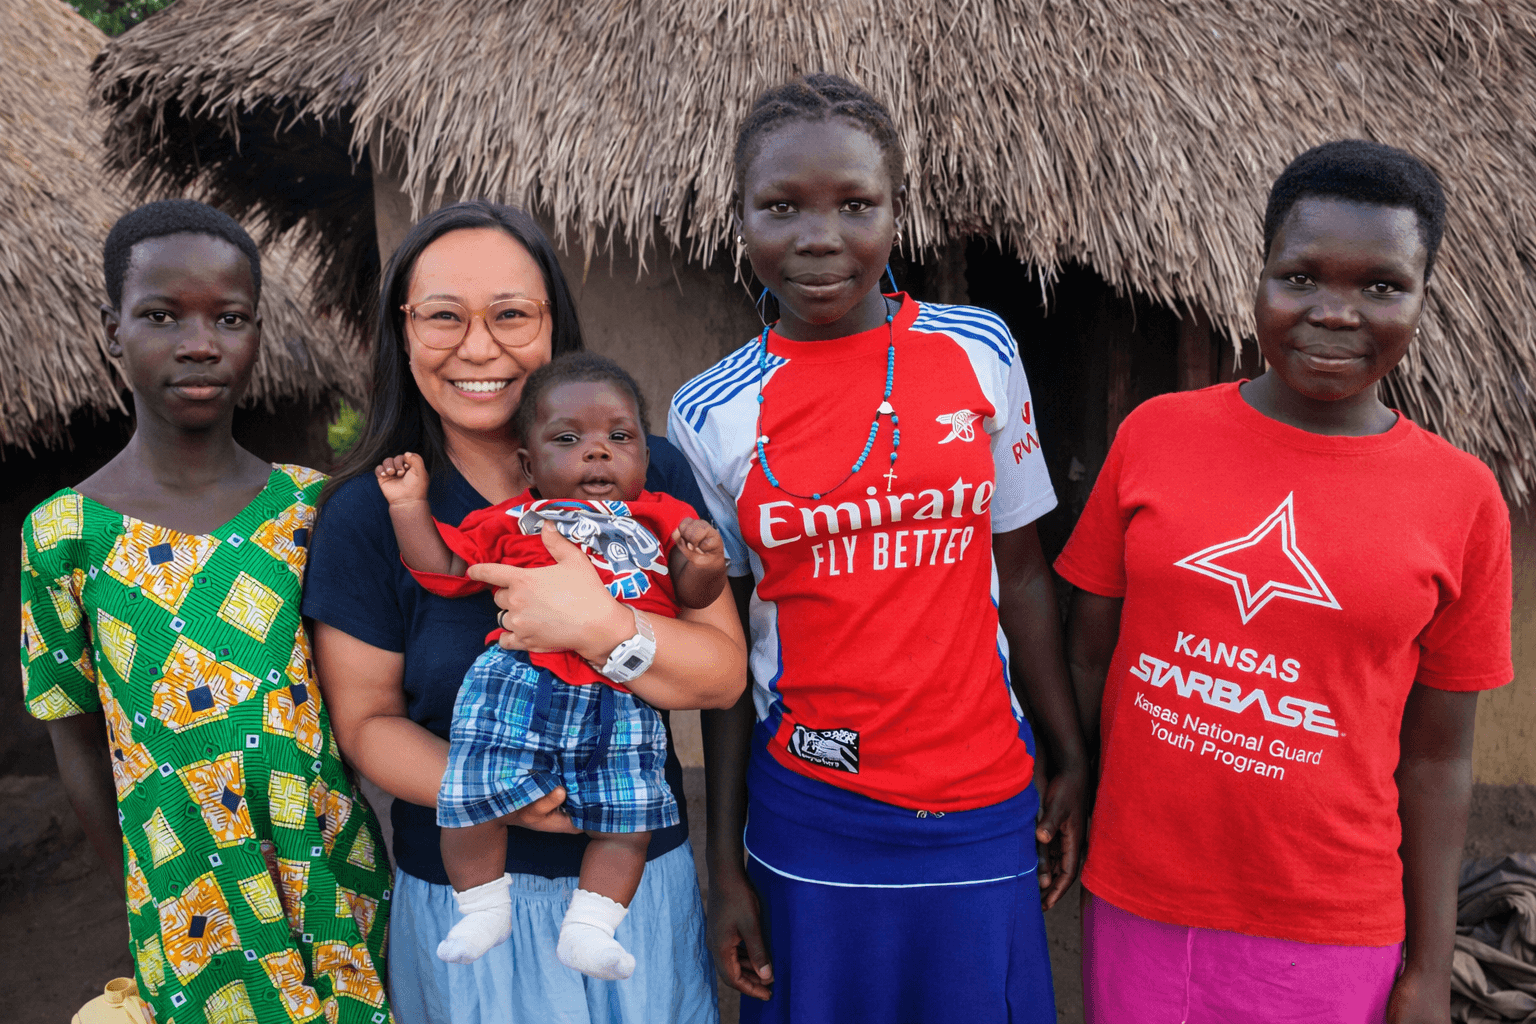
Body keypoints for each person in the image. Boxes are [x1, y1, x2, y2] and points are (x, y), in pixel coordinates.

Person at [1056, 140, 1513, 1024]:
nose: (1335, 313)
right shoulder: (1155, 436)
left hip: (1333, 927)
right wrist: (1076, 773)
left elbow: (1438, 757)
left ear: (1423, 298)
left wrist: (1429, 962)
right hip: (1139, 900)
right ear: (1258, 280)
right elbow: (1088, 653)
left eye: (1382, 286)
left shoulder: (1463, 500)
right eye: (1301, 277)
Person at [668, 74, 1088, 1024]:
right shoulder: (710, 412)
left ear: (898, 214)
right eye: (781, 208)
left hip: (984, 798)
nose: (819, 238)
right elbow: (728, 652)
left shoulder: (978, 350)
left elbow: (1020, 573)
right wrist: (723, 861)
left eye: (856, 205)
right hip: (812, 808)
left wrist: (1069, 753)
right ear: (739, 219)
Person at [303, 200, 742, 1024]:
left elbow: (720, 678)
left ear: (554, 325)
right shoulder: (373, 513)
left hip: (634, 900)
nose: (478, 346)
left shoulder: (651, 480)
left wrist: (597, 625)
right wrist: (505, 794)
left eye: (511, 314)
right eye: (443, 317)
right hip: (472, 907)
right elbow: (366, 726)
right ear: (403, 329)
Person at [22, 199, 392, 1024]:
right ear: (111, 332)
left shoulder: (310, 509)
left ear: (257, 332)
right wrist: (146, 884)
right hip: (188, 901)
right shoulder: (63, 534)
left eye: (230, 318)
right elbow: (73, 730)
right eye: (161, 316)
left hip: (330, 871)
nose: (199, 343)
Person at [373, 353, 729, 977]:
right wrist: (409, 506)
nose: (597, 453)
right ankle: (482, 905)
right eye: (569, 440)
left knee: (630, 820)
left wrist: (701, 564)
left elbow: (693, 599)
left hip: (622, 694)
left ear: (646, 458)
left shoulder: (663, 517)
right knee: (471, 796)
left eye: (620, 438)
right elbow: (447, 571)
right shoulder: (517, 519)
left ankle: (592, 928)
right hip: (517, 681)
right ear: (529, 466)